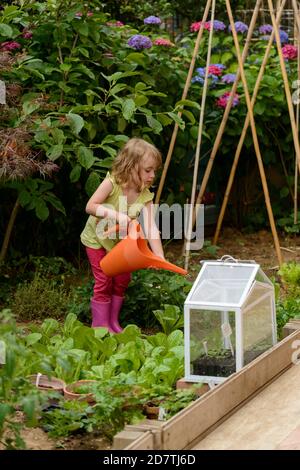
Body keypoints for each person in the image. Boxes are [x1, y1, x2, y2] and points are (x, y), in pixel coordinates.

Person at [80, 137, 164, 333]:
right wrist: (118, 216)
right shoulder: (112, 183)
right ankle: (99, 327)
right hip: (97, 241)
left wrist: (159, 255)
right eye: (147, 170)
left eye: (154, 171)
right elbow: (90, 206)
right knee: (104, 279)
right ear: (131, 166)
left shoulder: (145, 194)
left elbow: (151, 227)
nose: (152, 175)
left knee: (122, 280)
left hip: (120, 245)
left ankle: (112, 323)